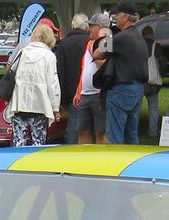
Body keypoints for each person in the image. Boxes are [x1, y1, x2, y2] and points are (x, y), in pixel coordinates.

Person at [92, 3, 147, 145]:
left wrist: (106, 38)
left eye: (117, 14)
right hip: (138, 89)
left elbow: (97, 53)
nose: (115, 17)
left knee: (115, 136)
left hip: (121, 90)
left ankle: (115, 165)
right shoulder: (140, 38)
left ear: (125, 17)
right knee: (132, 135)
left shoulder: (119, 38)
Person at [8, 23, 61, 146]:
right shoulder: (49, 56)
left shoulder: (23, 52)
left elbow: (12, 73)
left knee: (19, 142)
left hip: (20, 102)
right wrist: (55, 108)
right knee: (38, 142)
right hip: (39, 104)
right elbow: (53, 84)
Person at [73, 15, 110, 145]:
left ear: (100, 28)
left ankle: (102, 161)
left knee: (101, 131)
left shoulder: (107, 41)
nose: (89, 29)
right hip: (85, 94)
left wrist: (103, 41)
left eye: (92, 26)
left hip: (99, 94)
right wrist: (79, 91)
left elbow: (104, 63)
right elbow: (84, 70)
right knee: (82, 130)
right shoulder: (89, 43)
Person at [56, 14, 90, 144]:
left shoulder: (63, 44)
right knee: (89, 126)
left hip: (70, 92)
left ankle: (72, 152)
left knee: (73, 125)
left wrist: (62, 98)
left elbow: (60, 71)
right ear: (86, 26)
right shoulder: (90, 42)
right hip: (89, 89)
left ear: (72, 26)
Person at [141, 26, 163, 140]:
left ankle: (134, 131)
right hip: (154, 82)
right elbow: (163, 63)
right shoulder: (156, 46)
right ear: (152, 34)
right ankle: (153, 131)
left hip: (140, 81)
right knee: (153, 107)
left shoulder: (138, 46)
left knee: (136, 107)